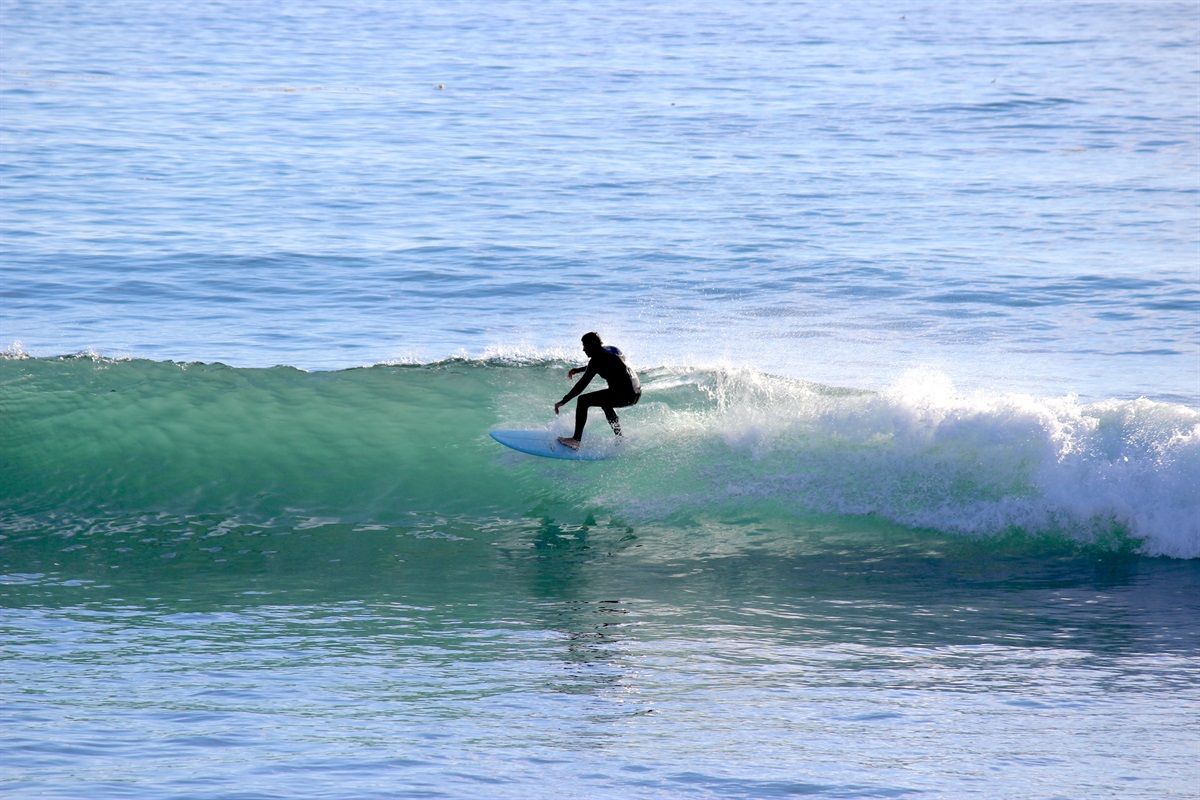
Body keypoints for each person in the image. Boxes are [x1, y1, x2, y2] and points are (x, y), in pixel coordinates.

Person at [554, 332, 641, 450]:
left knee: (583, 400)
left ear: (592, 345)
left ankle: (575, 440)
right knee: (606, 403)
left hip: (624, 394)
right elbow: (603, 365)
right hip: (636, 392)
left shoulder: (597, 360)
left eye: (585, 346)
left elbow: (582, 384)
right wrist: (579, 370)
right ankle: (620, 437)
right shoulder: (612, 350)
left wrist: (564, 401)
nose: (583, 349)